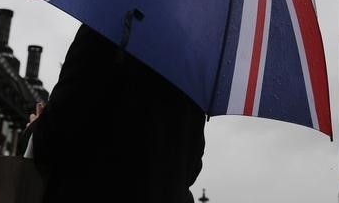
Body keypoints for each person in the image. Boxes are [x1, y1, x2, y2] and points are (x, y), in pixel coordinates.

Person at [23, 24, 206, 202]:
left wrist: (36, 127)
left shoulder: (107, 27)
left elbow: (55, 135)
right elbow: (191, 168)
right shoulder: (196, 64)